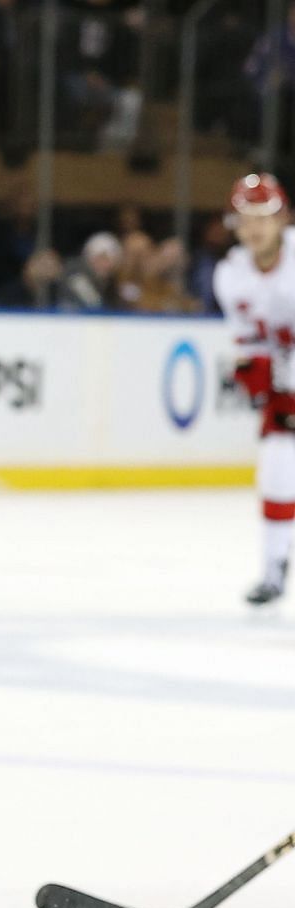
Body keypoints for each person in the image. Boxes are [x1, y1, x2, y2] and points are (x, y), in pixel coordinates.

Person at [213, 173, 295, 608]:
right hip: (288, 384)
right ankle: (273, 570)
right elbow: (248, 343)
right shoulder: (230, 274)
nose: (254, 228)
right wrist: (258, 378)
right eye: (245, 218)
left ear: (283, 219)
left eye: (264, 216)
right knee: (277, 469)